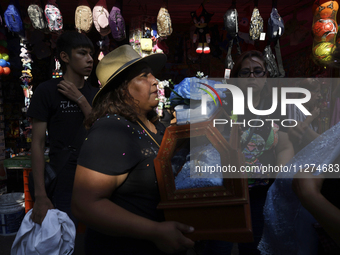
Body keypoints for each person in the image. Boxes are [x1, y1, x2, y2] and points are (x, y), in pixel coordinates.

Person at [71, 44, 195, 255]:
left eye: (152, 75)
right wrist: (155, 231)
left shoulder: (155, 126)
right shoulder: (111, 130)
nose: (154, 81)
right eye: (143, 77)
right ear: (121, 89)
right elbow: (84, 204)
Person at [203, 50, 294, 255]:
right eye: (245, 72)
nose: (252, 76)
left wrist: (280, 177)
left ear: (266, 77)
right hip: (225, 194)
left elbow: (285, 146)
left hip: (261, 193)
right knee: (218, 248)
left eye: (257, 71)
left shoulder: (277, 107)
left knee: (254, 248)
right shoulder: (222, 105)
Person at [27, 31, 99, 225]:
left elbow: (100, 132)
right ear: (65, 57)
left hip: (97, 177)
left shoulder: (96, 94)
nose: (89, 59)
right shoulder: (47, 91)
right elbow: (38, 144)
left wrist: (81, 100)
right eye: (82, 53)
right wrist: (41, 195)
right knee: (67, 240)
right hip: (64, 178)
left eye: (91, 54)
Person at [287, 78, 321, 153]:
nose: (319, 95)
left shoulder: (310, 110)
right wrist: (311, 117)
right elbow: (295, 134)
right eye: (316, 91)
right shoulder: (293, 106)